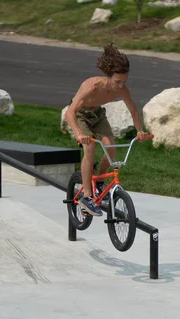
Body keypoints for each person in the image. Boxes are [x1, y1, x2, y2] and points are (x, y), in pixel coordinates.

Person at [64, 43, 151, 217]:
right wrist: (80, 135)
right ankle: (87, 196)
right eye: (117, 81)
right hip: (81, 115)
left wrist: (140, 130)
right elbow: (70, 112)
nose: (120, 86)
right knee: (90, 148)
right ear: (108, 77)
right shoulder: (92, 87)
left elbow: (133, 110)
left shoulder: (122, 90)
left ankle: (101, 182)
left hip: (98, 115)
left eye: (124, 82)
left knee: (110, 147)